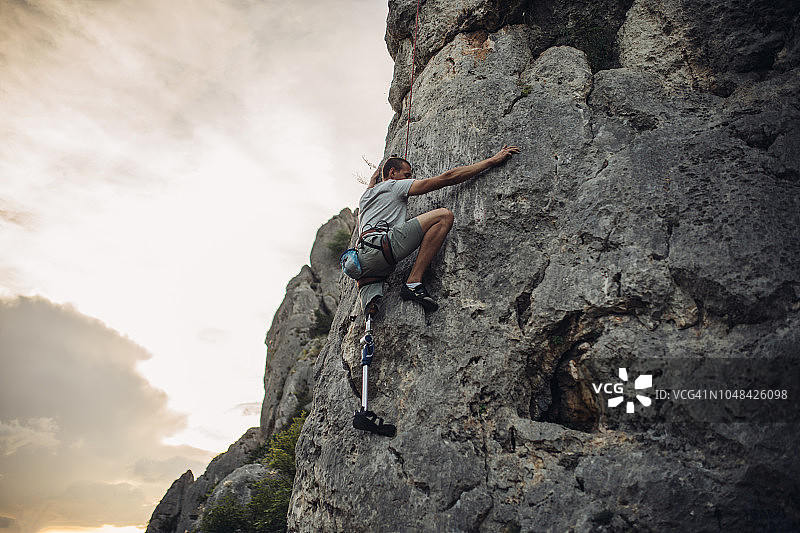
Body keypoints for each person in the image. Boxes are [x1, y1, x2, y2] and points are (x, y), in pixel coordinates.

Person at [355, 145, 521, 314]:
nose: (409, 179)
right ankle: (413, 283)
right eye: (407, 175)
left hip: (362, 261)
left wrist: (373, 178)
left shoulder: (365, 197)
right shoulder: (393, 185)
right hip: (383, 248)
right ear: (392, 173)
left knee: (372, 314)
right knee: (444, 216)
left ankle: (371, 305)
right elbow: (447, 178)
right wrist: (492, 160)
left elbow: (371, 184)